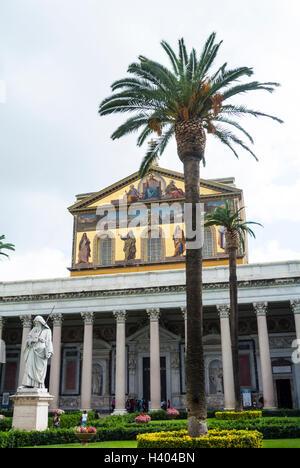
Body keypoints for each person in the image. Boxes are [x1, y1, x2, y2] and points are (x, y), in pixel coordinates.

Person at [21, 315, 53, 389]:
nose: (36, 324)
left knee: (39, 369)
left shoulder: (47, 331)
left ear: (41, 322)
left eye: (37, 323)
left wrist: (50, 351)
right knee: (28, 367)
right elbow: (28, 340)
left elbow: (49, 341)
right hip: (32, 350)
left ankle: (38, 384)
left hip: (41, 351)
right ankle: (27, 383)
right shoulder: (33, 330)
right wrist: (32, 341)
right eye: (35, 323)